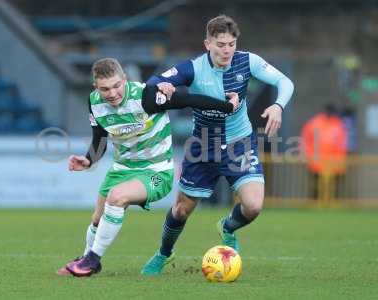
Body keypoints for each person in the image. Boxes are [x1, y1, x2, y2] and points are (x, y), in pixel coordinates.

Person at [57, 58, 239, 277]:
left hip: (156, 172)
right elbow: (100, 139)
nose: (113, 93)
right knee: (97, 218)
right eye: (105, 89)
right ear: (96, 87)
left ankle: (92, 261)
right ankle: (86, 258)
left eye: (117, 85)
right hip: (122, 169)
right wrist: (88, 160)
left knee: (116, 198)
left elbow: (189, 99)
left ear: (125, 80)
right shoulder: (94, 102)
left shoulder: (147, 96)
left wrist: (226, 105)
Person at [141, 15, 294, 275]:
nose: (227, 50)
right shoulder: (192, 68)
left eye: (231, 44)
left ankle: (228, 227)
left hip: (240, 143)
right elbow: (152, 84)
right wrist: (163, 85)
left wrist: (278, 106)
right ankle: (163, 253)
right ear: (207, 44)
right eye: (221, 44)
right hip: (204, 145)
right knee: (180, 210)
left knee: (254, 206)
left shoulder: (248, 61)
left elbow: (285, 82)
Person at [301, 104, 348, 201]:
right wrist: (308, 156)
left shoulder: (338, 124)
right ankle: (314, 205)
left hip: (334, 164)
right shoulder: (314, 123)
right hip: (316, 163)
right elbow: (305, 141)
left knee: (334, 188)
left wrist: (340, 161)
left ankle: (333, 205)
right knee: (315, 187)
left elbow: (342, 144)